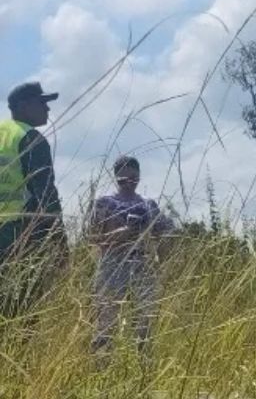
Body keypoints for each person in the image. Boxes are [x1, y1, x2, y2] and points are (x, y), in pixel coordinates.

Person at [86, 155, 175, 353]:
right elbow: (92, 237)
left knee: (145, 321)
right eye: (123, 179)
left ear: (139, 177)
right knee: (106, 321)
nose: (129, 183)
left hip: (141, 263)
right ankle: (101, 368)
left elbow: (164, 234)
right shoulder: (105, 203)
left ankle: (144, 366)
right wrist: (120, 234)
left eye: (133, 178)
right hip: (112, 264)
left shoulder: (148, 205)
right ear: (116, 177)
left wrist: (161, 257)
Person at [0, 81, 66, 318]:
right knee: (20, 314)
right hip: (18, 235)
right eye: (42, 103)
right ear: (24, 106)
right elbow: (46, 194)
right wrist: (60, 244)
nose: (47, 109)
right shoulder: (29, 137)